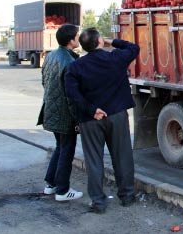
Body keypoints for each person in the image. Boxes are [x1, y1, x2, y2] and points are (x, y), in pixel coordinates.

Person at [64, 28, 139, 214]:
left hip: (90, 119)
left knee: (94, 160)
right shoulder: (115, 59)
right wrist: (112, 42)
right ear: (100, 42)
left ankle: (98, 202)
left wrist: (91, 110)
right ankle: (127, 196)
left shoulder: (75, 66)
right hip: (116, 116)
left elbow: (72, 94)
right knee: (122, 157)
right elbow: (133, 48)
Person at [39, 24, 83, 202]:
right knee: (67, 151)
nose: (79, 38)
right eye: (77, 36)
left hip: (51, 110)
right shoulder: (70, 63)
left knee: (60, 148)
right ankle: (63, 190)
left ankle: (51, 184)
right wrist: (78, 119)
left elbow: (44, 81)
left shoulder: (50, 56)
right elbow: (72, 96)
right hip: (65, 115)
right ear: (71, 40)